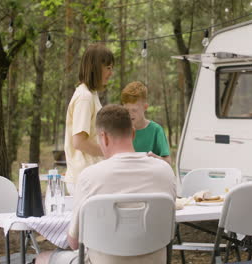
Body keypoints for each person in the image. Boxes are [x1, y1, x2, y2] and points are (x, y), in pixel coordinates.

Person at [36, 105, 176, 264]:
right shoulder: (165, 171)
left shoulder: (90, 177)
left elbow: (74, 242)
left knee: (42, 258)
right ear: (133, 133)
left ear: (104, 137)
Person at [63, 44, 114, 195]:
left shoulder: (91, 94)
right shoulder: (84, 97)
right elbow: (79, 142)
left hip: (91, 177)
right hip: (84, 179)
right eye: (108, 68)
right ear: (96, 67)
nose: (111, 73)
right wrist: (109, 152)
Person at [121, 81, 171, 164]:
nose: (130, 114)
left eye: (134, 110)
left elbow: (168, 162)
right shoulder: (121, 131)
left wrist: (155, 158)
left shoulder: (156, 130)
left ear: (145, 107)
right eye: (127, 110)